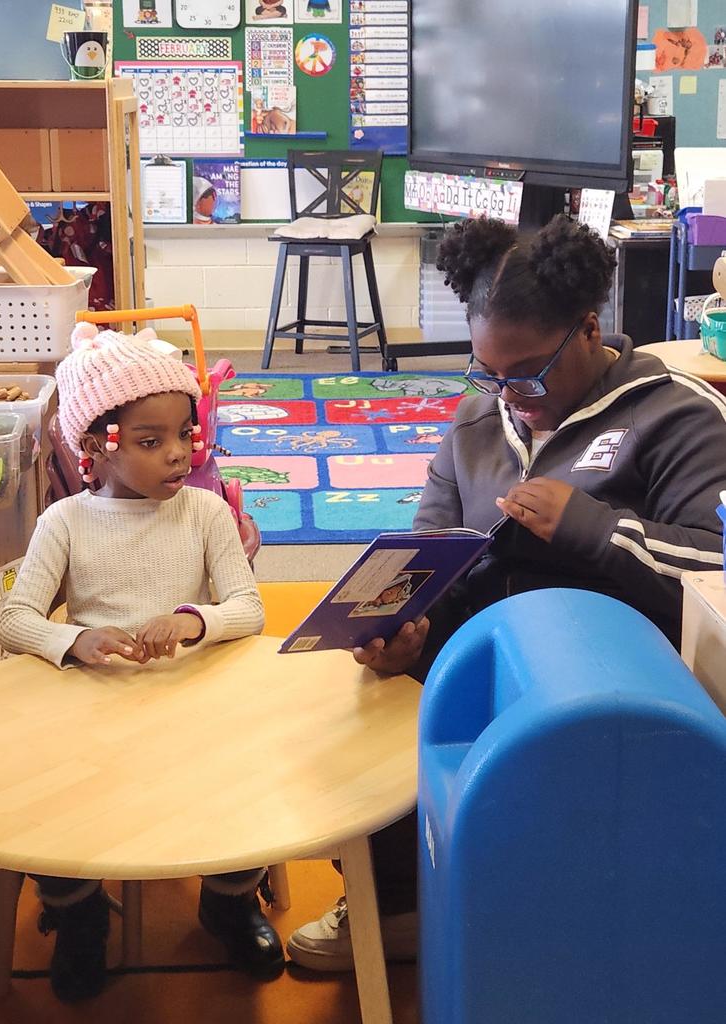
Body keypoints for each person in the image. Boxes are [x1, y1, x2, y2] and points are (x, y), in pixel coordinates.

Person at [286, 213, 726, 971]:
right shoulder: (477, 418)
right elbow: (433, 542)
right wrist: (405, 625)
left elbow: (715, 569)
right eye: (485, 372)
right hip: (485, 652)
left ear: (590, 330)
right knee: (355, 706)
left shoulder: (678, 415)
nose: (507, 395)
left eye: (525, 373)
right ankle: (395, 900)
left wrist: (592, 525)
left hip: (612, 677)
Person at [0, 323, 283, 1002]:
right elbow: (14, 618)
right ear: (98, 447)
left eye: (186, 435)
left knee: (257, 767)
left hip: (190, 698)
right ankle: (79, 912)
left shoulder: (206, 513)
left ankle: (230, 898)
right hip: (95, 705)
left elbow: (248, 609)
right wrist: (74, 641)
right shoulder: (65, 521)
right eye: (151, 442)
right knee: (42, 791)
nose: (178, 455)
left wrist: (191, 621)